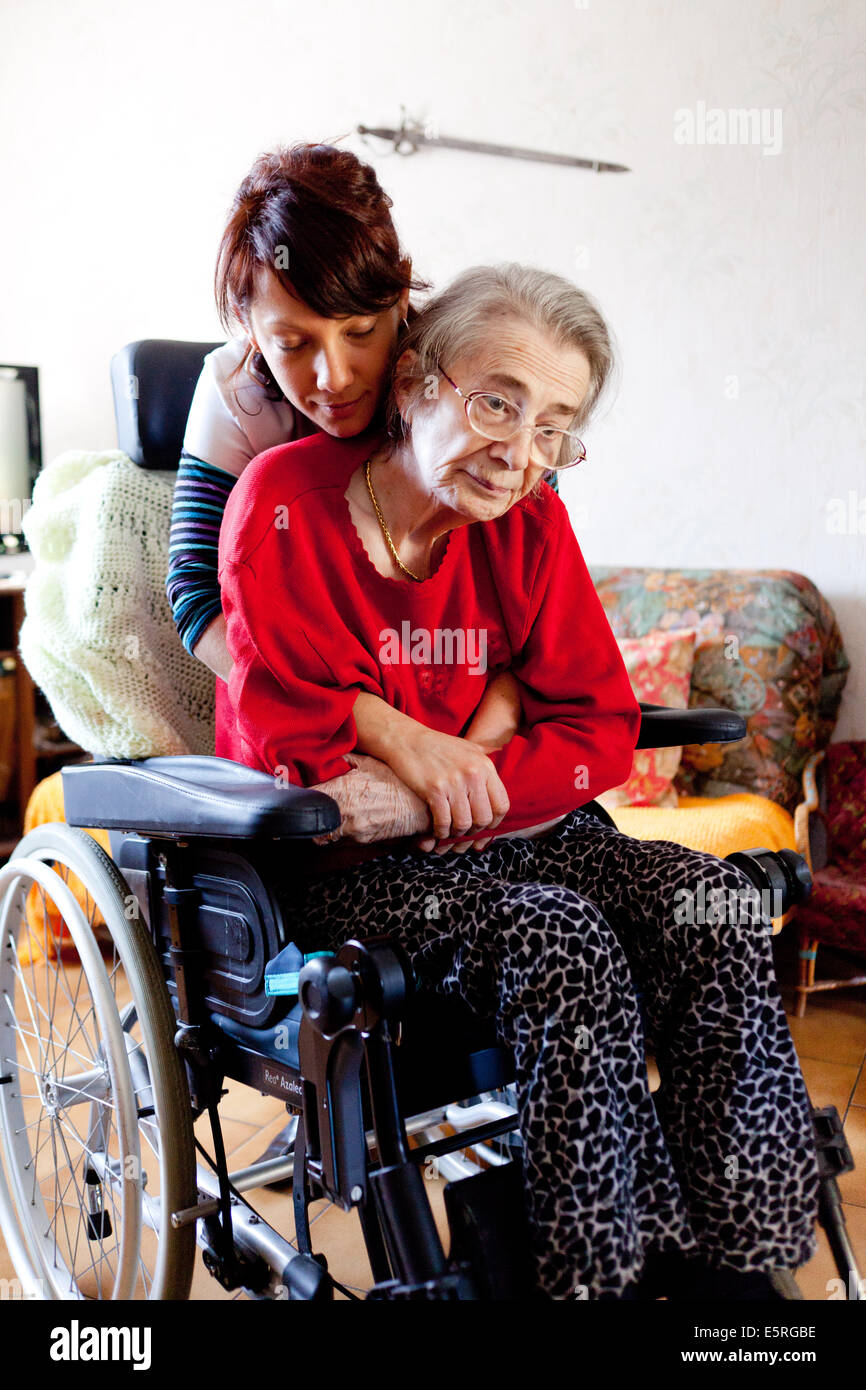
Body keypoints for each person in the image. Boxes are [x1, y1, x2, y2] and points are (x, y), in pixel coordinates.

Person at [217, 263, 820, 1300]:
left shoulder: (528, 522)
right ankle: (594, 1275)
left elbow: (599, 727)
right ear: (413, 382)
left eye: (555, 425)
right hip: (348, 869)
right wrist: (453, 743)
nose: (522, 452)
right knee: (557, 937)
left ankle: (740, 1265)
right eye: (498, 401)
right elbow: (300, 753)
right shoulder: (285, 508)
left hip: (511, 833)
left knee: (703, 907)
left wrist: (432, 782)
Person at [168, 142, 522, 806]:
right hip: (312, 757)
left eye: (360, 331)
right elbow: (194, 595)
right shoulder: (236, 394)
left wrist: (468, 756)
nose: (333, 379)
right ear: (249, 328)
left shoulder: (462, 373)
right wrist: (383, 732)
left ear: (401, 297)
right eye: (294, 345)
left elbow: (532, 588)